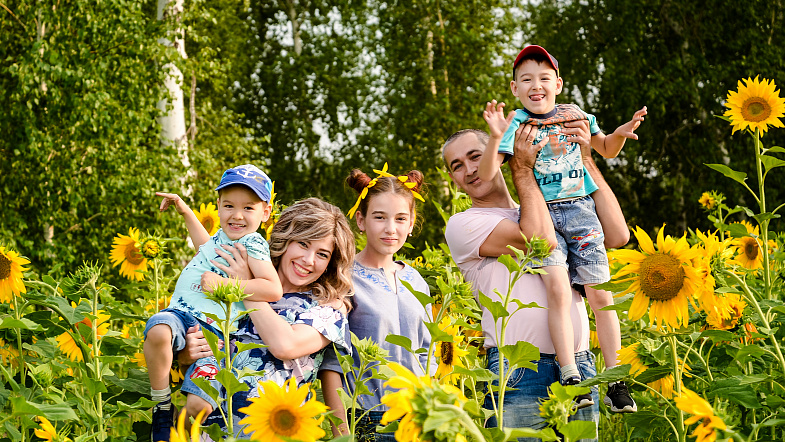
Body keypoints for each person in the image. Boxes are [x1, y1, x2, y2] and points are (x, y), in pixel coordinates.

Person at [476, 44, 645, 412]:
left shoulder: (576, 114)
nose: (536, 85)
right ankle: (571, 373)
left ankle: (616, 379)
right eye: (526, 80)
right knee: (558, 291)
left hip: (582, 212)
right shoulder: (515, 125)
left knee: (601, 295)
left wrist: (619, 132)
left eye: (544, 78)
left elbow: (606, 150)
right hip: (543, 216)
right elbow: (488, 174)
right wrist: (493, 135)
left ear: (558, 83)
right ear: (514, 88)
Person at [442, 123, 630, 439]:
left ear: (496, 155)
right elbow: (540, 239)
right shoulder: (463, 224)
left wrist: (584, 160)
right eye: (456, 166)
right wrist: (524, 169)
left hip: (579, 365)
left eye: (475, 156)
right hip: (519, 373)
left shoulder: (542, 209)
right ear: (453, 179)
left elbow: (617, 234)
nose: (469, 170)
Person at [190, 198, 356, 438]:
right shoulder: (234, 273)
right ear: (284, 241)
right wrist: (188, 351)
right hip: (210, 433)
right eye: (302, 244)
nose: (309, 260)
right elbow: (195, 336)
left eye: (322, 254)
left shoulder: (328, 308)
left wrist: (242, 287)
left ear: (332, 263)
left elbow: (285, 345)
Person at [144, 164, 283, 441]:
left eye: (248, 208)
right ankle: (160, 407)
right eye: (229, 205)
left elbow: (272, 289)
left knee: (201, 406)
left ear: (265, 212)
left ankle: (176, 430)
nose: (237, 215)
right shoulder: (221, 239)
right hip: (180, 315)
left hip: (214, 334)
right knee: (159, 329)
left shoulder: (253, 243)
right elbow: (204, 246)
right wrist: (185, 211)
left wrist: (226, 284)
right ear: (218, 205)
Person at [318, 166, 434, 441]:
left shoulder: (417, 280)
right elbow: (332, 364)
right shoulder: (343, 277)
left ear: (411, 222)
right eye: (379, 217)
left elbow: (426, 355)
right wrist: (341, 434)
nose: (390, 229)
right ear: (361, 220)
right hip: (368, 418)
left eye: (400, 218)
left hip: (419, 419)